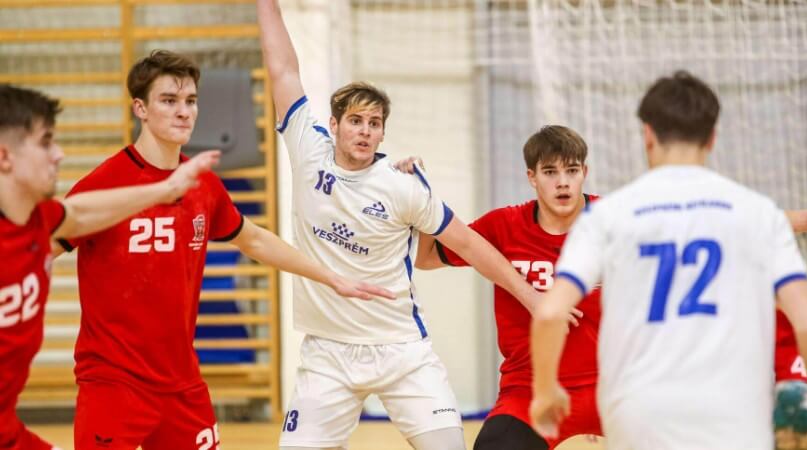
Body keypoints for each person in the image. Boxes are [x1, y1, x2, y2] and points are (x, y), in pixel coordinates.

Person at [53, 50, 394, 450]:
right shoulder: (105, 183)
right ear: (140, 108)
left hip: (181, 384)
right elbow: (38, 248)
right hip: (113, 384)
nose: (184, 112)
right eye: (169, 100)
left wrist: (331, 277)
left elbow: (255, 239)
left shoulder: (203, 186)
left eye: (191, 101)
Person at [257, 1, 557, 448]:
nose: (365, 131)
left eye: (374, 123)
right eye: (355, 121)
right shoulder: (307, 148)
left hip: (401, 350)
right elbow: (282, 69)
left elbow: (469, 245)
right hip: (327, 354)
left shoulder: (404, 187)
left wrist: (530, 295)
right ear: (334, 124)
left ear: (383, 132)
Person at [530, 70, 807, 449]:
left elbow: (550, 313)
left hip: (639, 409)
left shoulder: (608, 215)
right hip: (734, 407)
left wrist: (546, 391)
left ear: (647, 134)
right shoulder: (759, 213)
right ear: (712, 138)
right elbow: (806, 320)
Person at [0, 85, 220, 450]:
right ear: (5, 157)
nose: (59, 153)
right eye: (45, 142)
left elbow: (79, 213)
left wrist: (165, 190)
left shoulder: (39, 220)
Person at [410, 126, 602, 450]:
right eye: (550, 172)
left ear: (585, 172)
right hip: (530, 388)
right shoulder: (504, 226)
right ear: (532, 177)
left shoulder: (615, 221)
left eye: (571, 170)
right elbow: (425, 257)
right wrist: (421, 197)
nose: (563, 182)